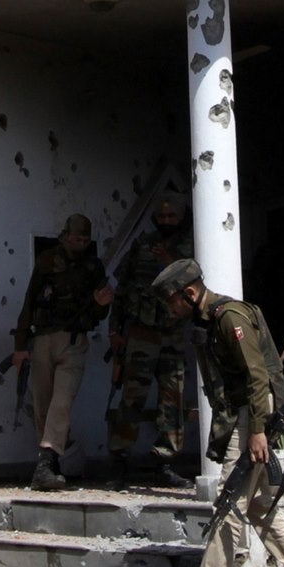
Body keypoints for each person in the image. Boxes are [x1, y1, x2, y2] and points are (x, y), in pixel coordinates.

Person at [154, 259, 284, 567]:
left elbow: (256, 377)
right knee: (258, 503)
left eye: (172, 302)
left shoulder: (230, 317)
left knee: (230, 498)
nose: (171, 310)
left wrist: (258, 430)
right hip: (244, 411)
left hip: (254, 410)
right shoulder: (207, 320)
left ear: (189, 293)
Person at [12, 214, 113, 490]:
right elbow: (29, 301)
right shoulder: (47, 260)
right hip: (43, 338)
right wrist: (20, 346)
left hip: (74, 341)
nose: (80, 244)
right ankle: (50, 464)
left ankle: (46, 463)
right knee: (42, 404)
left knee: (62, 402)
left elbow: (99, 313)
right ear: (65, 235)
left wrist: (101, 304)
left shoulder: (93, 267)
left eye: (85, 240)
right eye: (76, 238)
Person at [105, 197, 193, 489]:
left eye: (172, 216)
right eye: (162, 216)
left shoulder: (191, 247)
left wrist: (171, 260)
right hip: (141, 332)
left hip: (173, 333)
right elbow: (123, 289)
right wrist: (114, 330)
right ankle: (120, 462)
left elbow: (196, 287)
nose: (166, 220)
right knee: (131, 396)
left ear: (181, 217)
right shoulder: (142, 245)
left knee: (173, 398)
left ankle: (164, 462)